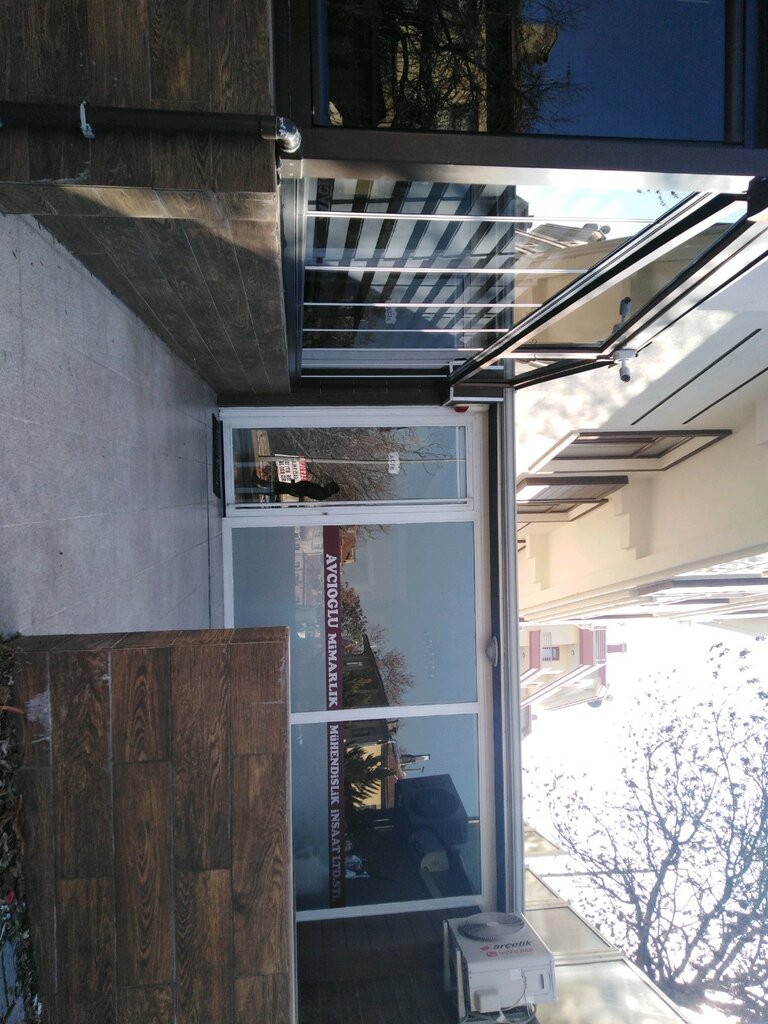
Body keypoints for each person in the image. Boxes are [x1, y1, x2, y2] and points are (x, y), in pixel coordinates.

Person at [252, 475, 341, 501]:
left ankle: (258, 483)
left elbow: (307, 489)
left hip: (296, 489)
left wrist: (295, 486)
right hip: (296, 489)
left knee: (276, 486)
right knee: (277, 488)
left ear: (330, 488)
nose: (327, 484)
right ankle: (258, 488)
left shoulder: (322, 493)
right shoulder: (323, 492)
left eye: (329, 484)